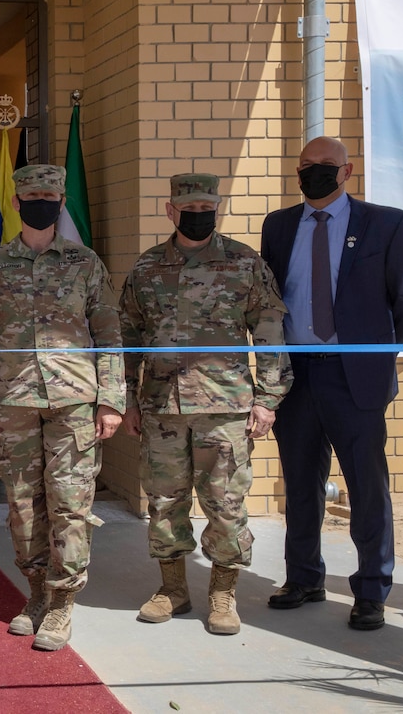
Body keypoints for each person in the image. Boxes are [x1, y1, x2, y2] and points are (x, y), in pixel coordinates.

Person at [261, 136, 403, 631]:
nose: (314, 173)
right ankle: (304, 577)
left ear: (347, 170)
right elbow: (271, 292)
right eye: (305, 166)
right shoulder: (279, 224)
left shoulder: (387, 222)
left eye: (325, 166)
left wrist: (375, 354)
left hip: (353, 374)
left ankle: (372, 590)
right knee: (300, 481)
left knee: (365, 484)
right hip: (296, 373)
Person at [120, 173, 292, 635]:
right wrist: (128, 399)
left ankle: (223, 593)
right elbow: (128, 337)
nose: (199, 216)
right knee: (164, 502)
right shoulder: (148, 267)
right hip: (161, 406)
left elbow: (271, 331)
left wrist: (268, 398)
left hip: (226, 406)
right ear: (171, 210)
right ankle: (173, 589)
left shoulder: (244, 263)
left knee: (225, 502)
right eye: (189, 209)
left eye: (207, 207)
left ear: (218, 207)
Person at [0, 164, 125, 652]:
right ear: (16, 203)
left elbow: (109, 336)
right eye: (30, 195)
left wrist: (111, 399)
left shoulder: (85, 263)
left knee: (71, 504)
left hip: (74, 402)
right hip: (12, 401)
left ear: (60, 203)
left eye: (49, 195)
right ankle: (34, 595)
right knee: (23, 506)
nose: (40, 202)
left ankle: (62, 605)